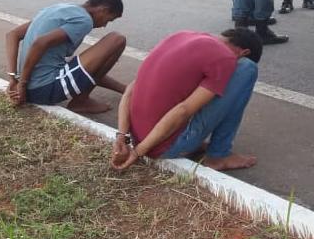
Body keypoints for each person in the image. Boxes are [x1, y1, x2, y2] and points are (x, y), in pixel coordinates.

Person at [110, 28, 263, 172]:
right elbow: (183, 111)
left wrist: (122, 136)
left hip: (137, 136)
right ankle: (219, 155)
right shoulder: (225, 59)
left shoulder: (181, 36)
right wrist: (138, 152)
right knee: (247, 69)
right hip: (161, 148)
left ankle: (195, 143)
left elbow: (129, 92)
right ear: (244, 52)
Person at [5, 0, 127, 114]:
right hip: (42, 89)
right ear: (103, 9)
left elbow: (12, 35)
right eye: (108, 20)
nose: (104, 25)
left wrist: (14, 78)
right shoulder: (85, 20)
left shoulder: (59, 9)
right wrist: (22, 85)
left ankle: (126, 90)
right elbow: (39, 44)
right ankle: (80, 100)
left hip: (33, 85)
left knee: (86, 62)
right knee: (117, 40)